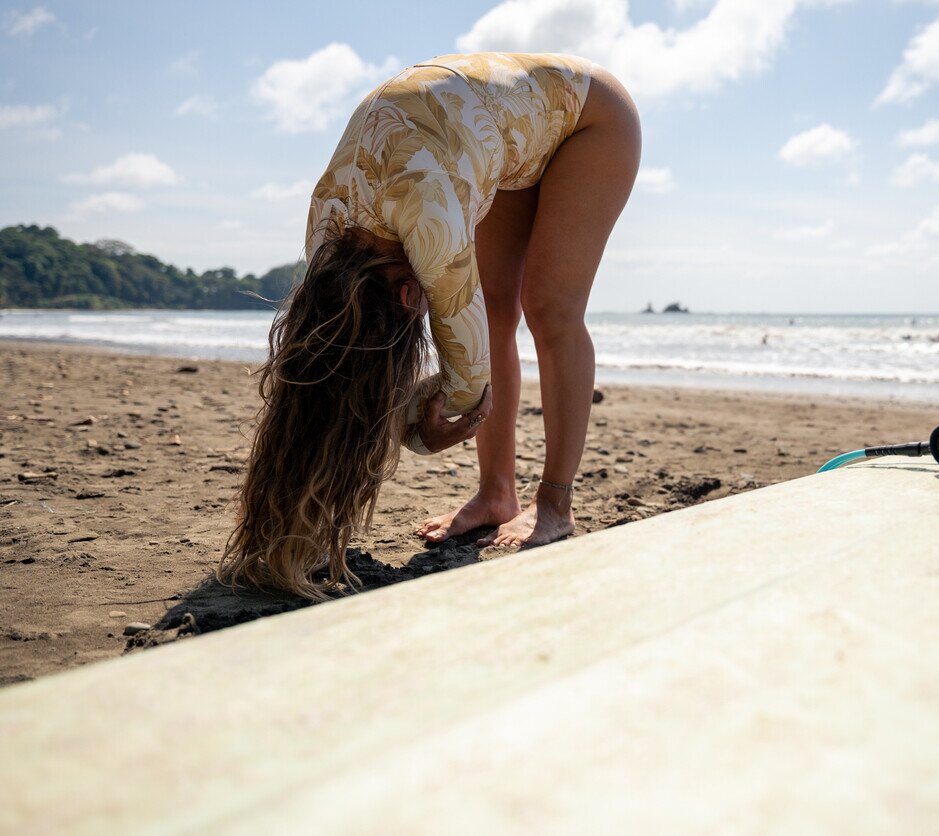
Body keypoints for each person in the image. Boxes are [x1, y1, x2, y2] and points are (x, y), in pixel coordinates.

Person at [219, 53, 641, 600]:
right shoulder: (329, 232)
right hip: (477, 135)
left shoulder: (431, 222)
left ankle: (555, 504)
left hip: (588, 117)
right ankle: (497, 494)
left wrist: (416, 431)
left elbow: (469, 388)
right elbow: (327, 357)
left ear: (405, 292)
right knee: (492, 309)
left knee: (549, 307)